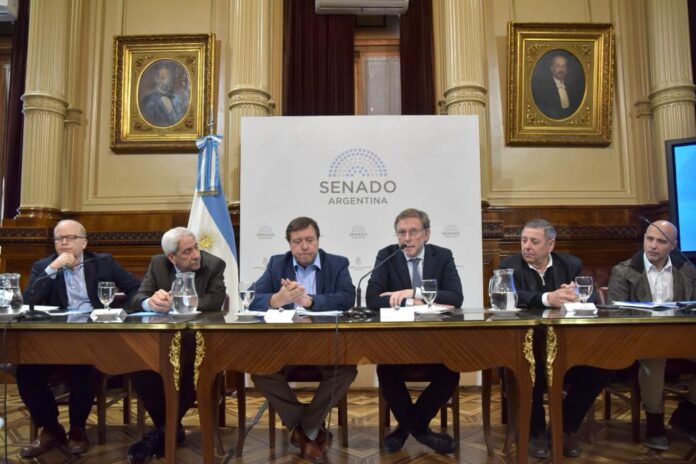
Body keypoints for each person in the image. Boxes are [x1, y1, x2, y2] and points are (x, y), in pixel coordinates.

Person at [17, 219, 140, 458]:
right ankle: (51, 429)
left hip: (93, 338)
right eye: (58, 239)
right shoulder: (44, 266)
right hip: (53, 341)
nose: (63, 243)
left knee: (83, 368)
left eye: (70, 238)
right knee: (26, 373)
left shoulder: (102, 262)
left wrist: (123, 313)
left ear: (84, 243)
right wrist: (53, 269)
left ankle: (77, 429)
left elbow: (136, 289)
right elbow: (28, 301)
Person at [499, 218, 610, 458]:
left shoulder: (570, 264)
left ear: (550, 244)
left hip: (566, 346)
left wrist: (575, 296)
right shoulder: (509, 266)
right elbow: (508, 297)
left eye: (534, 241)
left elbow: (589, 297)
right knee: (530, 369)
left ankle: (564, 429)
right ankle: (536, 432)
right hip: (524, 345)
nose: (527, 246)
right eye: (524, 240)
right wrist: (547, 298)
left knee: (599, 370)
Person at [249, 216, 356, 464]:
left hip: (324, 345)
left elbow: (346, 298)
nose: (304, 246)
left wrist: (310, 301)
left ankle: (302, 430)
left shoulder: (337, 263)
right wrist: (276, 299)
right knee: (260, 372)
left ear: (318, 240)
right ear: (289, 244)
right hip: (285, 345)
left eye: (310, 240)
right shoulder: (277, 264)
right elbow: (253, 298)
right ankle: (312, 430)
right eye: (297, 241)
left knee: (346, 370)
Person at [366, 208, 463, 454]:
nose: (406, 238)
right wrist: (413, 302)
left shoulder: (442, 256)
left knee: (451, 372)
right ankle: (421, 432)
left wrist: (413, 292)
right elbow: (372, 299)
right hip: (398, 344)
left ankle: (403, 431)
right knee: (385, 369)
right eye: (401, 233)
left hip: (435, 343)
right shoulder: (387, 255)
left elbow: (455, 297)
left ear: (426, 234)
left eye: (413, 232)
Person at [127, 227, 226, 464]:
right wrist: (150, 303)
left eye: (196, 247)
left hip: (197, 340)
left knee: (194, 369)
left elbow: (215, 300)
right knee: (138, 367)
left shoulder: (213, 265)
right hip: (162, 341)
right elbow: (138, 298)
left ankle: (158, 435)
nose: (196, 255)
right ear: (172, 257)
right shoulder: (158, 264)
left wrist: (184, 302)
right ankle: (169, 429)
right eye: (187, 251)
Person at [608, 219, 696, 451]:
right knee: (654, 360)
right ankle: (655, 422)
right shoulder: (624, 271)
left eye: (661, 241)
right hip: (641, 338)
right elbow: (617, 315)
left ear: (673, 246)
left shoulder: (687, 270)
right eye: (649, 239)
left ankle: (688, 411)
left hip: (681, 336)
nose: (653, 245)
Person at [531, 52, 584, 119]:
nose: (561, 70)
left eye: (563, 66)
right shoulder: (544, 89)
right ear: (552, 69)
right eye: (558, 66)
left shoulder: (571, 88)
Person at [139, 62, 188, 127]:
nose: (167, 81)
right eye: (163, 78)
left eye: (169, 78)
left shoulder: (176, 98)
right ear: (157, 79)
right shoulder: (147, 100)